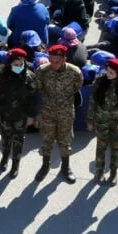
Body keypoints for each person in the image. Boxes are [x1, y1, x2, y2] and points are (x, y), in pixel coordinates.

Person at [36, 43, 84, 183]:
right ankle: (45, 165)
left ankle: (66, 167)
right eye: (51, 60)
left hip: (66, 112)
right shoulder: (42, 71)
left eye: (57, 61)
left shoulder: (74, 72)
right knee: (47, 139)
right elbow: (38, 87)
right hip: (48, 111)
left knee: (65, 140)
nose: (53, 64)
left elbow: (77, 86)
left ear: (64, 59)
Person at [88, 57, 118, 184]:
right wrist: (90, 119)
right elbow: (93, 101)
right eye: (107, 71)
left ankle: (113, 173)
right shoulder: (100, 80)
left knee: (116, 148)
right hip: (102, 120)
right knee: (101, 147)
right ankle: (99, 171)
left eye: (111, 73)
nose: (108, 74)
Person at [0, 48, 36, 178]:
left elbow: (33, 98)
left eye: (21, 64)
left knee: (18, 141)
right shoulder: (1, 75)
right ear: (10, 63)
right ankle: (4, 158)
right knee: (5, 139)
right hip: (6, 114)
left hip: (21, 116)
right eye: (16, 65)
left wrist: (30, 115)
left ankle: (15, 165)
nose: (19, 67)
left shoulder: (29, 77)